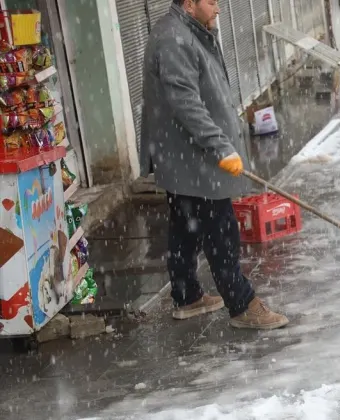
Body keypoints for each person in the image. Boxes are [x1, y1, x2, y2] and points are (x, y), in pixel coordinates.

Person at [139, 0, 289, 330]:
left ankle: (187, 296)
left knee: (185, 225)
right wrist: (220, 147)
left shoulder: (190, 32)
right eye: (211, 1)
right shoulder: (173, 40)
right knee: (221, 231)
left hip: (186, 155)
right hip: (193, 157)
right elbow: (186, 104)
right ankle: (242, 305)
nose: (218, 8)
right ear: (190, 4)